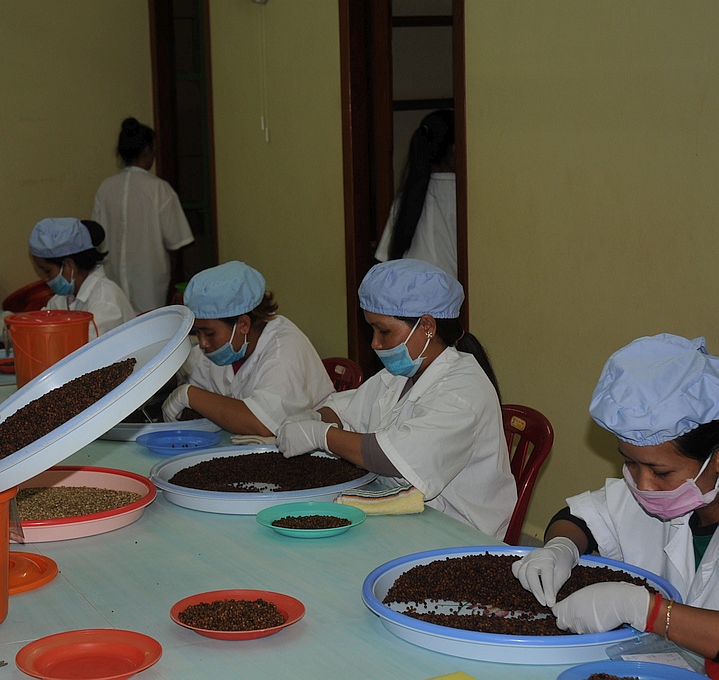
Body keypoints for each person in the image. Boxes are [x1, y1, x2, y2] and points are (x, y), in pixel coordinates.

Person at [512, 334, 719, 671]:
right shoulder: (645, 493)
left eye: (660, 472)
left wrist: (644, 609)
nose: (643, 485)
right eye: (630, 463)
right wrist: (560, 548)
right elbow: (579, 518)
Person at [276, 259, 515, 539]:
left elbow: (390, 457)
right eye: (372, 331)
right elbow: (345, 410)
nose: (375, 343)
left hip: (457, 533)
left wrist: (321, 436)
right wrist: (315, 417)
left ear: (427, 326)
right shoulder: (402, 373)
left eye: (384, 331)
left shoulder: (463, 391)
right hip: (409, 516)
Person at [162, 260, 334, 437]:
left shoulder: (283, 350)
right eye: (197, 332)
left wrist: (189, 395)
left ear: (243, 324)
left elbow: (263, 424)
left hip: (312, 444)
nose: (203, 343)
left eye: (209, 333)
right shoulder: (223, 348)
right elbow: (184, 370)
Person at [91, 117, 194, 314]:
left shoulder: (106, 188)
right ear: (147, 150)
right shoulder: (159, 189)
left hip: (112, 286)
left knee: (118, 327)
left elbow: (97, 238)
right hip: (149, 288)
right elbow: (177, 241)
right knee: (149, 329)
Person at [0, 217, 135, 341]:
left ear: (68, 265)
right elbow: (38, 324)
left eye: (47, 271)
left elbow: (83, 347)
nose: (45, 278)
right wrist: (12, 322)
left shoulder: (105, 299)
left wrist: (21, 332)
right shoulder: (61, 299)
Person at [374, 109, 457, 278]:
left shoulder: (404, 198)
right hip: (455, 291)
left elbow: (385, 258)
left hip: (410, 291)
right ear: (454, 150)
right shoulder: (465, 196)